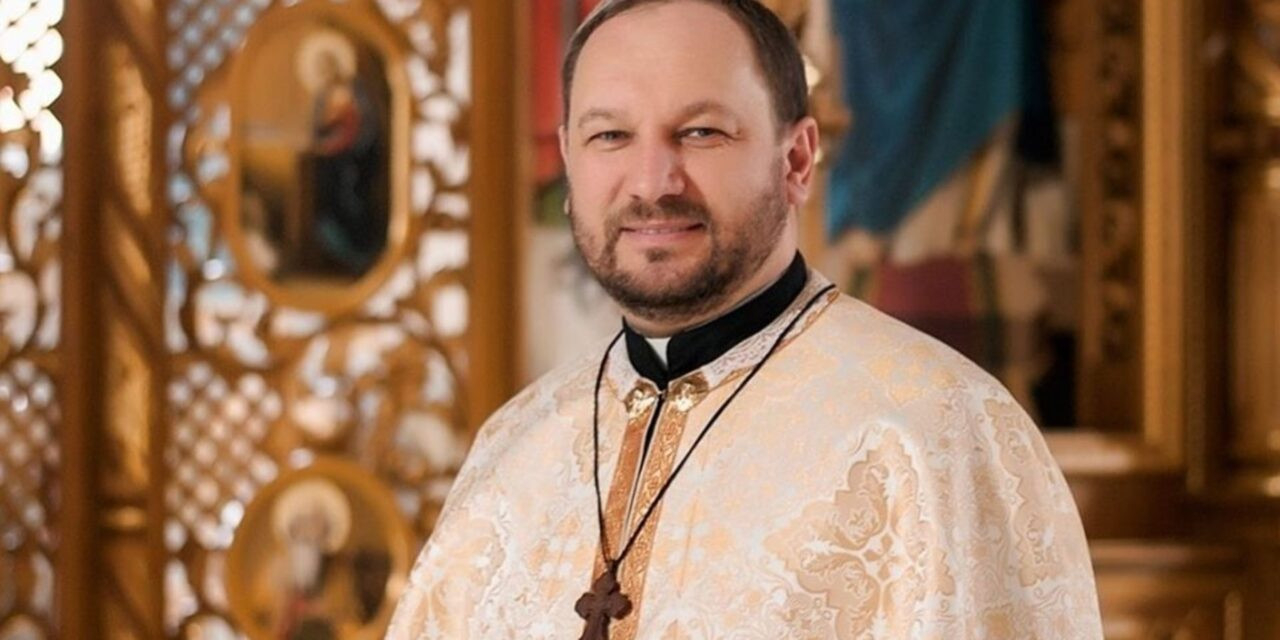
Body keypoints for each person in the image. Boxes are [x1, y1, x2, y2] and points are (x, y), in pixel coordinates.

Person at [386, 1, 1102, 638]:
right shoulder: (513, 449)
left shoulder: (937, 433)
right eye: (610, 136)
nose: (652, 182)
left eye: (701, 132)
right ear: (569, 161)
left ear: (797, 160)